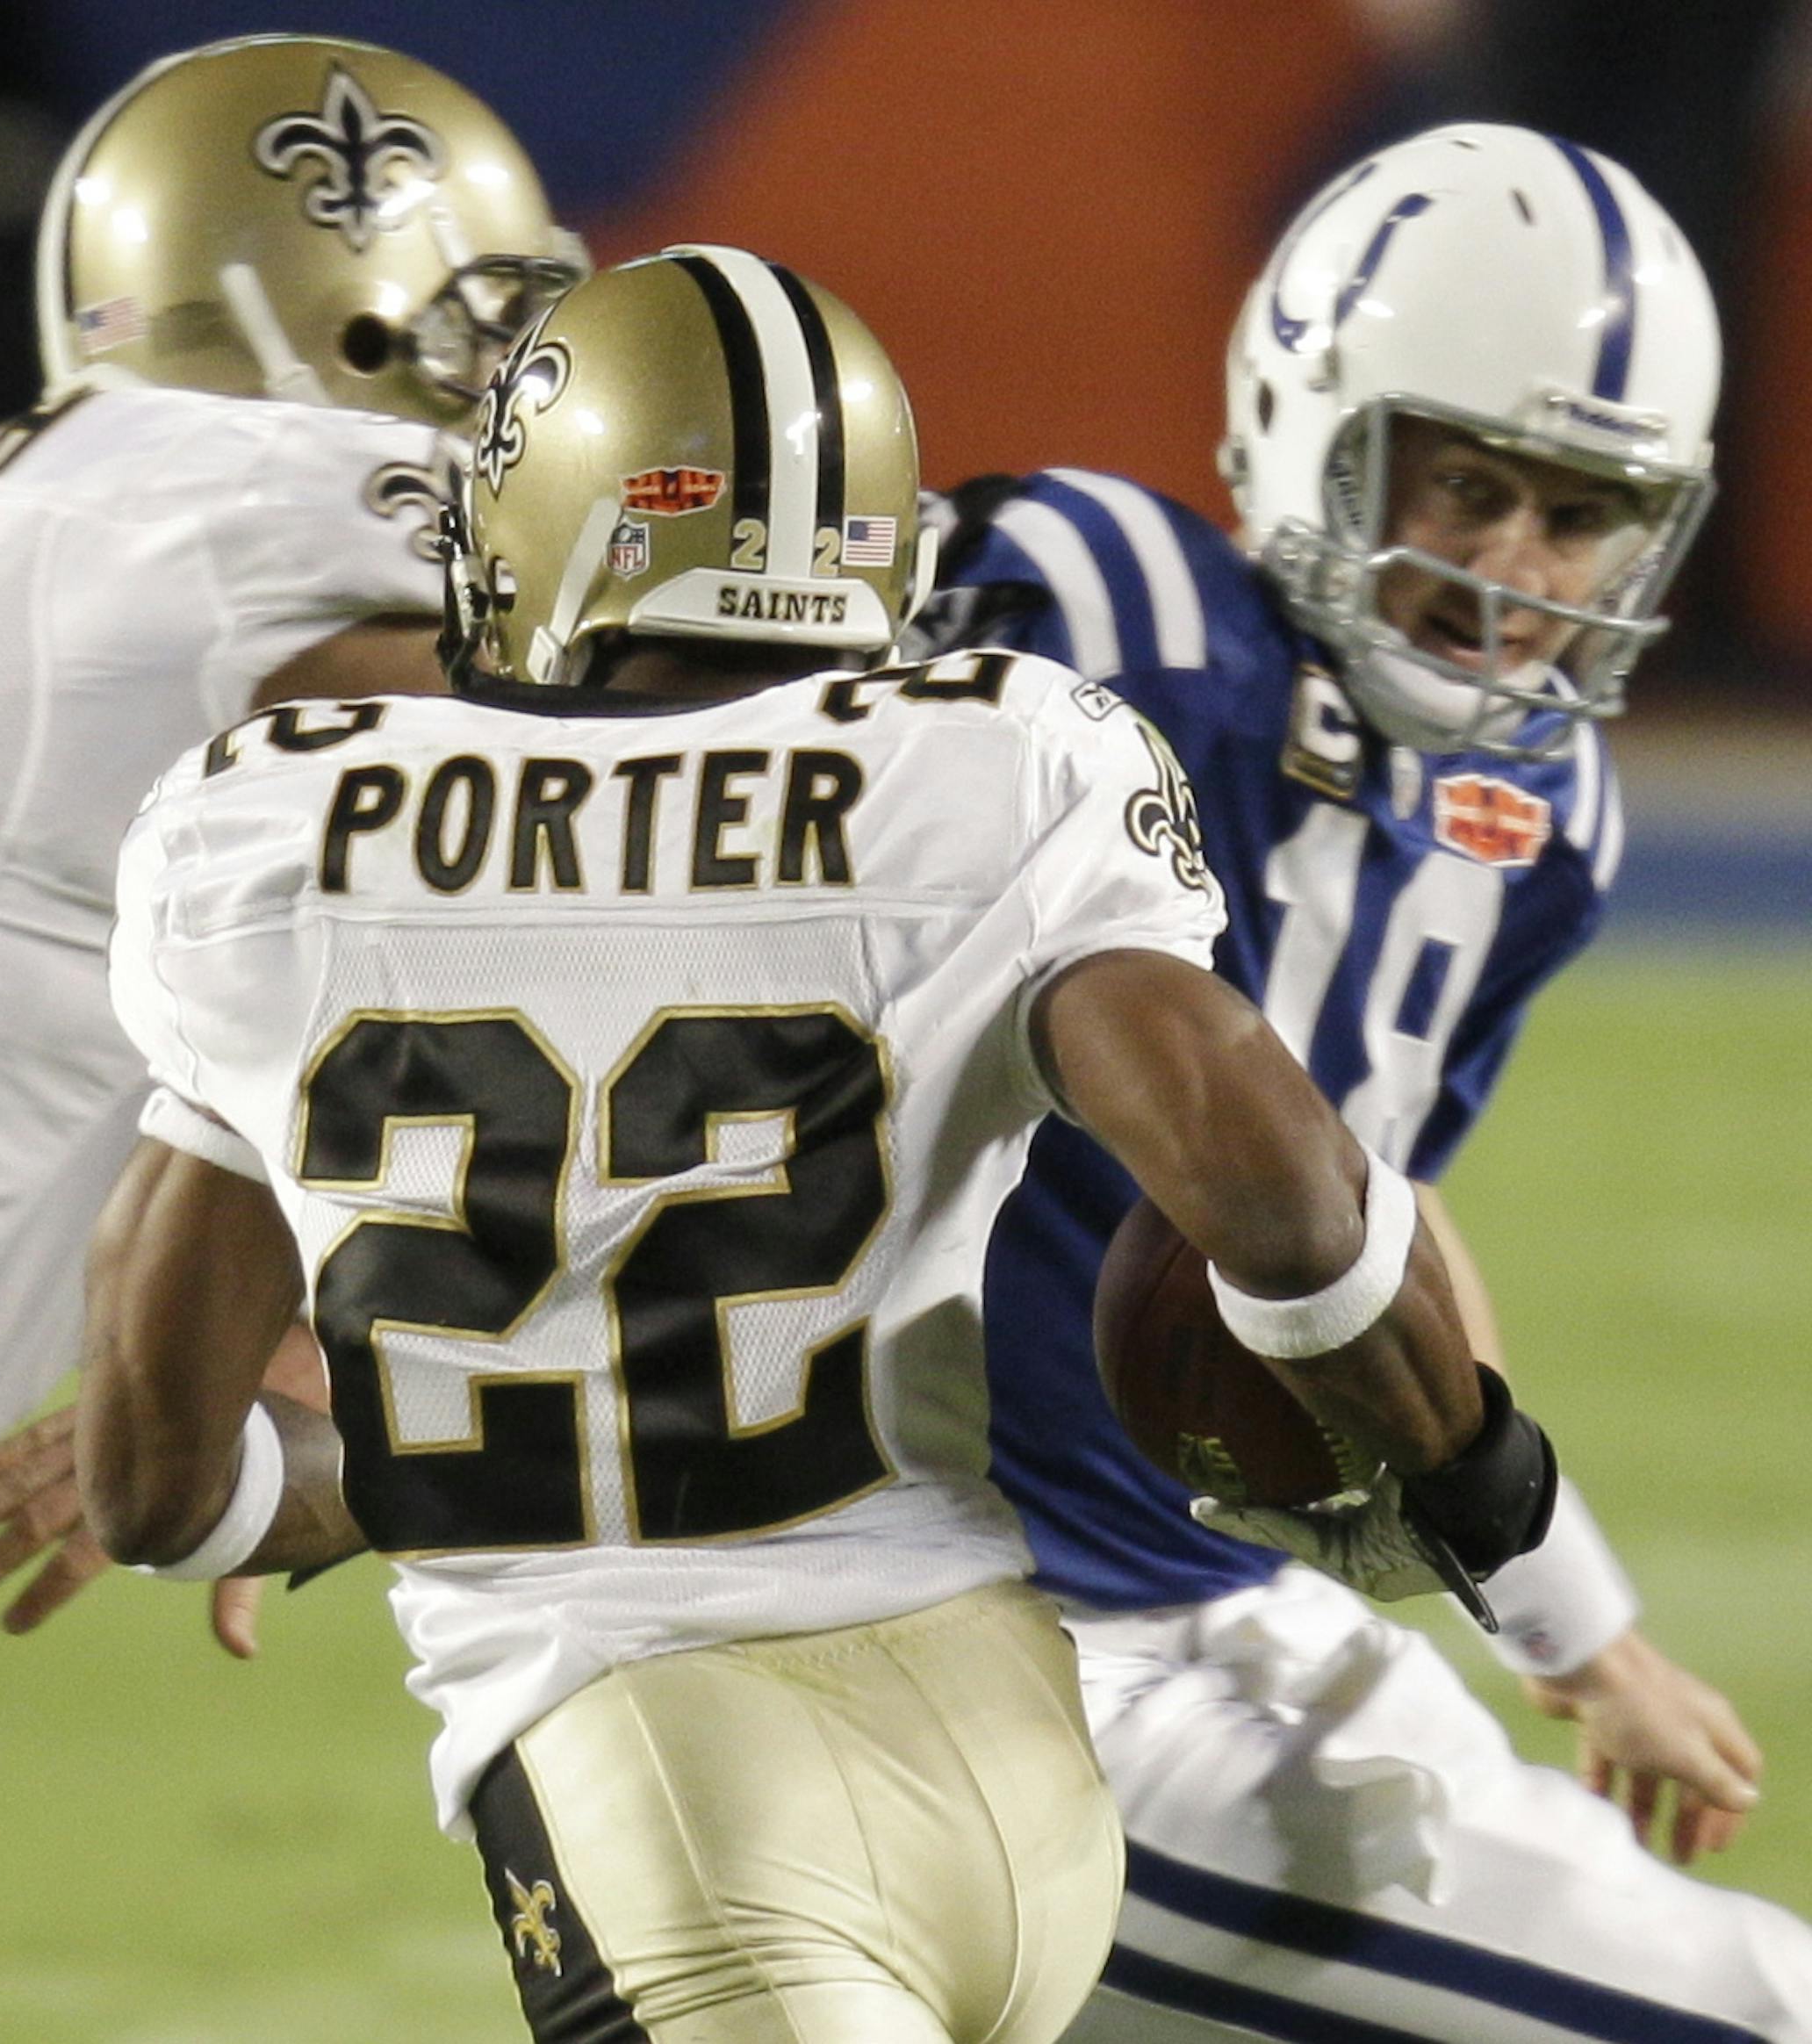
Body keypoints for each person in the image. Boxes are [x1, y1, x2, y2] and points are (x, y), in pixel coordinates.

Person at [76, 246, 1558, 2044]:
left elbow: (156, 1487)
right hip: (1019, 1755)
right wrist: (1480, 1488)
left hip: (667, 1787)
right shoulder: (1003, 762)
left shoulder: (283, 823)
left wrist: (386, 1460)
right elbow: (1282, 1193)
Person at [911, 123, 1812, 2041]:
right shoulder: (1086, 613)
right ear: (1316, 420)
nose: (1508, 574)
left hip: (1204, 1601)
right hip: (950, 1635)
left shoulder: (1537, 822)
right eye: (1469, 485)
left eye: (1576, 520)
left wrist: (1584, 1630)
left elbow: (1360, 1234)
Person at [0, 32, 588, 1640]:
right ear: (340, 290)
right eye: (488, 318)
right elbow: (616, 804)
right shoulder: (275, 493)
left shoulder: (2, 496)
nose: (519, 376)